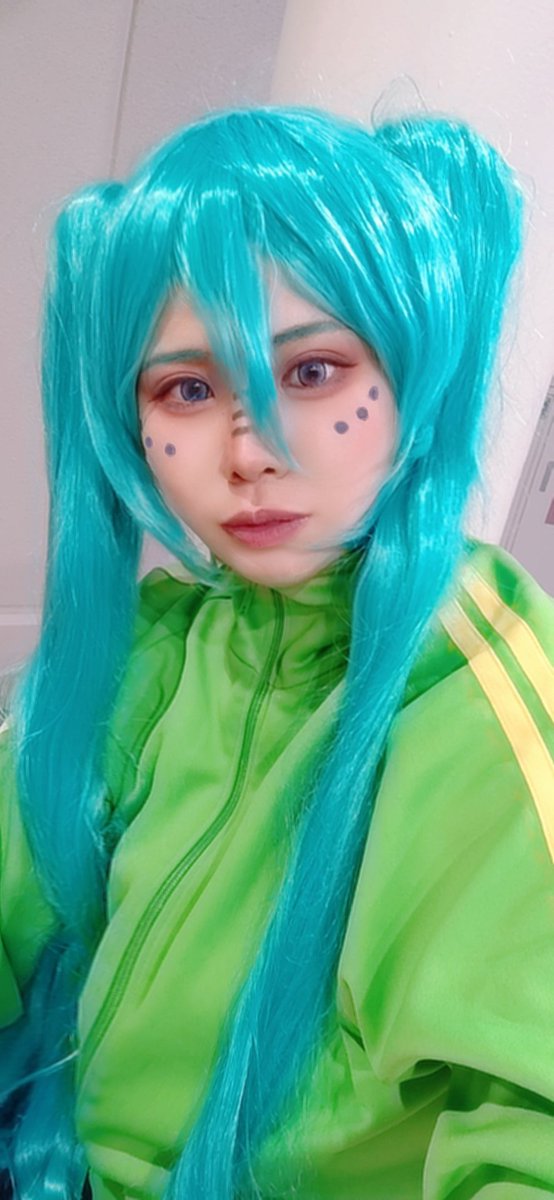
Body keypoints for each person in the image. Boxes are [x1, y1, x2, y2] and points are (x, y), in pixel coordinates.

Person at [0, 103, 552, 1200]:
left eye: (311, 373)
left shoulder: (473, 697)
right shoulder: (162, 645)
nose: (247, 452)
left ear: (413, 373)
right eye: (188, 390)